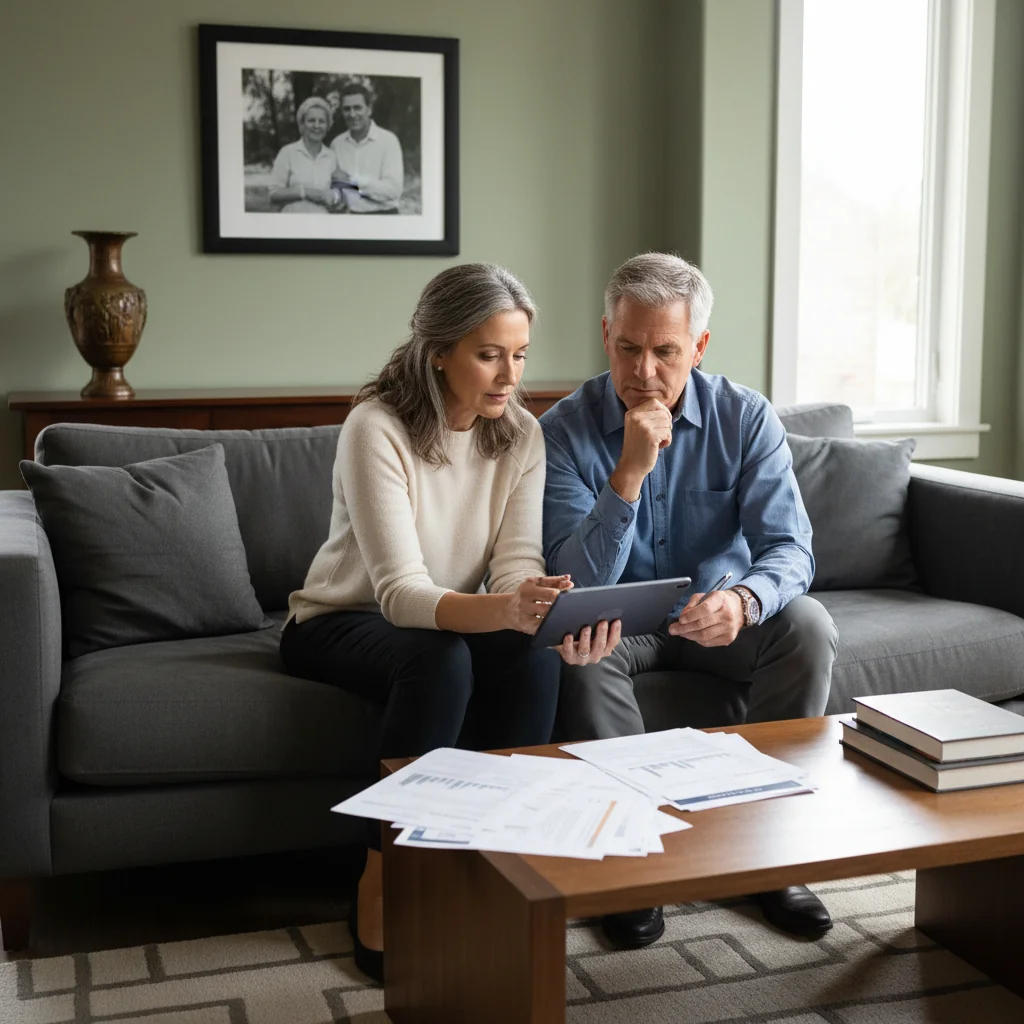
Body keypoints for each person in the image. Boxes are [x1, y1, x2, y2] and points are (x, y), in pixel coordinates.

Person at [279, 263, 620, 984]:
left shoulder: (520, 434)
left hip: (448, 621)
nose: (510, 375)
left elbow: (515, 565)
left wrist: (541, 608)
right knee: (440, 661)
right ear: (439, 351)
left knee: (532, 655)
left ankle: (499, 867)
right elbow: (400, 594)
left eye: (519, 354)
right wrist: (507, 611)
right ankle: (384, 879)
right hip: (341, 619)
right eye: (489, 355)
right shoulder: (376, 426)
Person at [540, 252, 839, 949]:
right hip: (618, 626)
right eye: (628, 348)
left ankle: (771, 853)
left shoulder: (746, 418)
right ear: (605, 335)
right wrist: (629, 473)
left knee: (807, 624)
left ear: (698, 347)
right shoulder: (560, 431)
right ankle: (631, 865)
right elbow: (575, 581)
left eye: (666, 351)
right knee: (577, 656)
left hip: (719, 620)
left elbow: (791, 549)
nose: (644, 371)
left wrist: (745, 601)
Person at [329, 80, 404, 214]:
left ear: (369, 109)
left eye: (357, 108)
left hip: (383, 216)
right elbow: (336, 185)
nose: (352, 114)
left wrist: (350, 181)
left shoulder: (388, 141)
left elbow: (393, 191)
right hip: (349, 217)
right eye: (347, 109)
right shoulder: (337, 144)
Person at [267, 96, 340, 213]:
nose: (316, 126)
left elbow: (337, 194)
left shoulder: (332, 156)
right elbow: (273, 195)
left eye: (322, 121)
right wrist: (305, 192)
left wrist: (335, 198)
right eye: (311, 120)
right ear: (302, 124)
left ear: (328, 126)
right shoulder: (288, 152)